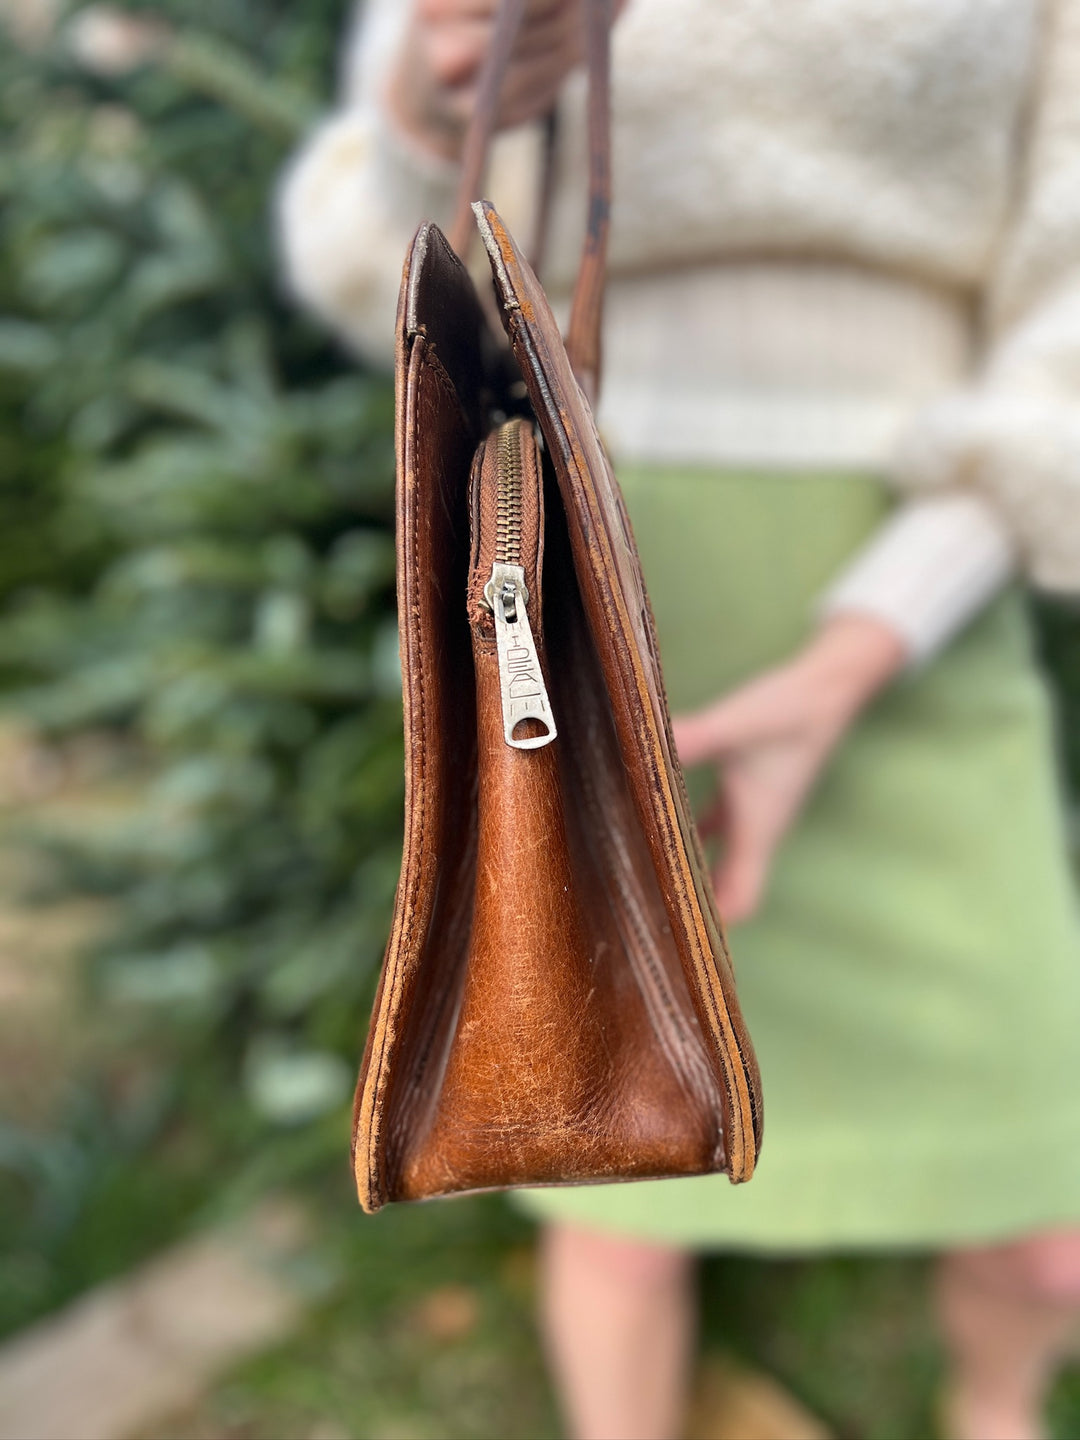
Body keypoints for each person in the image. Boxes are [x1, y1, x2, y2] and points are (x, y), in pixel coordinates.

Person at [277, 3, 1080, 1437]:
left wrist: (866, 639)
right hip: (604, 568)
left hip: (921, 574)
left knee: (1045, 1218)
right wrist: (420, 104)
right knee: (613, 1170)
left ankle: (999, 1407)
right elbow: (377, 268)